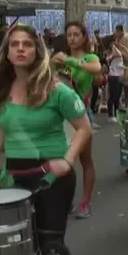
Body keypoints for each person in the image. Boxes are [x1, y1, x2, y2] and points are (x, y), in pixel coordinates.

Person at [0, 24, 92, 255]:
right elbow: (2, 122)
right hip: (15, 175)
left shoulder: (58, 90)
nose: (19, 49)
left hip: (52, 175)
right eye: (14, 44)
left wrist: (67, 160)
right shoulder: (3, 91)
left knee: (51, 242)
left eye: (27, 44)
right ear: (6, 53)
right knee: (21, 245)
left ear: (37, 51)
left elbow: (83, 128)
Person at [51, 22, 101, 219]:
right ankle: (65, 199)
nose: (72, 38)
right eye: (69, 35)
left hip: (81, 111)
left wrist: (69, 62)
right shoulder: (59, 57)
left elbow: (95, 68)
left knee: (84, 159)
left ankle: (85, 202)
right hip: (58, 113)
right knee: (61, 158)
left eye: (76, 34)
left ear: (83, 37)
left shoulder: (90, 57)